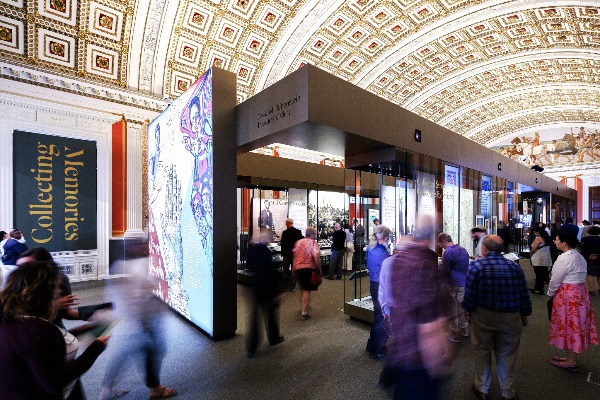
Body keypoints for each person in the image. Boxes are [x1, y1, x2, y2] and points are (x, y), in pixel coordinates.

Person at [0, 260, 107, 399]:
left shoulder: (13, 319)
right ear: (43, 293)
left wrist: (76, 332)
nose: (59, 291)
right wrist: (96, 348)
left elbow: (39, 352)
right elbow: (55, 384)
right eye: (56, 287)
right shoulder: (37, 331)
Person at [379, 216, 450, 400]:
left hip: (401, 348)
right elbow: (430, 326)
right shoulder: (426, 264)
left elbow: (391, 297)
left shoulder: (397, 260)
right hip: (419, 360)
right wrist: (438, 363)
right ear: (431, 237)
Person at [100, 238, 177, 400]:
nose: (144, 247)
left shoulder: (119, 266)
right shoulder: (133, 267)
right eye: (139, 245)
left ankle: (108, 388)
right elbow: (140, 293)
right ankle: (155, 389)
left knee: (135, 353)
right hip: (140, 322)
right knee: (151, 350)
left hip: (134, 321)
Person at [463, 235, 532, 400]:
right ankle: (507, 392)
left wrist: (468, 312)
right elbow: (523, 293)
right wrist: (524, 314)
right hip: (511, 317)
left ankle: (482, 388)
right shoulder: (514, 267)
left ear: (485, 248)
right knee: (507, 354)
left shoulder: (477, 266)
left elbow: (470, 294)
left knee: (482, 350)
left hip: (483, 316)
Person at [548, 231, 598, 370]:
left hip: (567, 296)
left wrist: (550, 294)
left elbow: (555, 280)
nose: (555, 241)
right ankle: (571, 356)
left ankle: (571, 361)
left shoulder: (564, 258)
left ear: (564, 243)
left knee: (568, 325)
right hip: (580, 293)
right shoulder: (578, 256)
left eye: (557, 240)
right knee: (575, 325)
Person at [246, 229, 284, 358]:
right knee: (271, 315)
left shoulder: (254, 250)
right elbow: (271, 274)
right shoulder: (267, 252)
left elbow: (250, 266)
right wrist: (277, 291)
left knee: (255, 319)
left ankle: (252, 347)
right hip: (267, 289)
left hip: (256, 287)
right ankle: (274, 338)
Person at [437, 232, 470, 343]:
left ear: (444, 241)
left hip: (452, 284)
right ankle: (464, 330)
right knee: (461, 308)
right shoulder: (464, 250)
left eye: (440, 244)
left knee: (452, 309)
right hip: (463, 283)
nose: (440, 247)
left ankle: (454, 333)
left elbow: (446, 270)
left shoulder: (448, 253)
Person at [365, 224, 391, 361]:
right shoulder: (383, 253)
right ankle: (377, 349)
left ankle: (372, 345)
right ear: (385, 237)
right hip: (381, 287)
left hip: (373, 284)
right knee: (382, 317)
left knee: (377, 316)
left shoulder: (370, 248)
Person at [292, 227, 321, 320]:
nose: (315, 236)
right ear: (312, 234)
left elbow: (294, 256)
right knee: (307, 289)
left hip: (298, 268)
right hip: (308, 268)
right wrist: (319, 268)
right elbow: (316, 256)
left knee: (302, 287)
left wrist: (293, 268)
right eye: (315, 234)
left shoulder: (299, 242)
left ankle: (303, 305)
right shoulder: (313, 242)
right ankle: (304, 312)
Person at [279, 218, 303, 291]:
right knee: (294, 271)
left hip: (286, 254)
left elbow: (282, 244)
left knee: (285, 270)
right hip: (295, 255)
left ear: (287, 224)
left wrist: (282, 253)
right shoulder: (298, 232)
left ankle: (285, 286)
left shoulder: (285, 232)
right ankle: (292, 287)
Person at [529, 226, 553, 295]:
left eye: (534, 232)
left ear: (538, 232)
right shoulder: (546, 238)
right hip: (545, 257)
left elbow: (533, 249)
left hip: (538, 258)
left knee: (538, 274)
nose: (534, 233)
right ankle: (538, 288)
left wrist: (530, 255)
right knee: (541, 274)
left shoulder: (538, 239)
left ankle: (538, 289)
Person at [580, 225, 600, 296]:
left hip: (588, 258)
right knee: (599, 274)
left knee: (590, 274)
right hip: (599, 259)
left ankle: (592, 289)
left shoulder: (584, 239)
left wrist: (588, 256)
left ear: (588, 232)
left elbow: (583, 249)